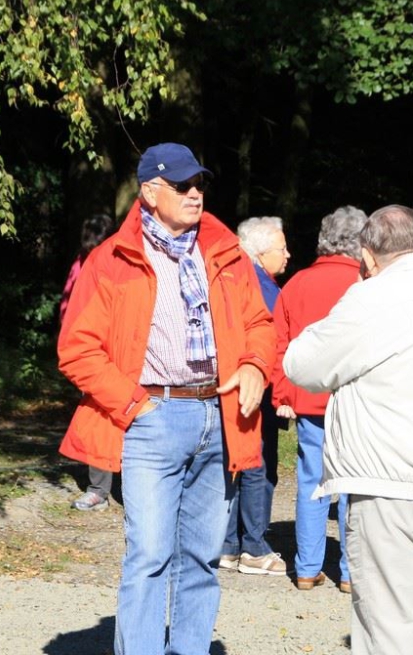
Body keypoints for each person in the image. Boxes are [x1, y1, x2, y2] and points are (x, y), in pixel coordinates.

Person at [57, 142, 276, 655]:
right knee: (149, 555)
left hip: (221, 420)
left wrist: (253, 365)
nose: (195, 193)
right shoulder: (110, 259)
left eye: (199, 183)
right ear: (150, 192)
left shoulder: (225, 251)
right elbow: (76, 349)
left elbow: (260, 324)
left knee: (201, 559)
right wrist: (135, 405)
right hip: (151, 419)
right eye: (182, 185)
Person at [283, 205, 413, 654]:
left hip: (392, 486)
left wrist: (354, 294)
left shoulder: (372, 297)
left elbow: (302, 364)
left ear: (368, 253)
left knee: (388, 630)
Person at [271, 205, 367, 593]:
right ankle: (350, 572)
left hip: (309, 399)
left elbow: (279, 344)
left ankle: (307, 569)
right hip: (357, 400)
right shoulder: (365, 284)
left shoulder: (296, 283)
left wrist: (283, 392)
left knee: (313, 480)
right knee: (355, 484)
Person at [219, 216, 290, 575]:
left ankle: (230, 544)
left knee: (238, 463)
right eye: (282, 248)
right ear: (261, 252)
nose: (288, 254)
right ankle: (254, 547)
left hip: (233, 384)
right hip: (257, 386)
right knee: (257, 466)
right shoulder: (262, 288)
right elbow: (272, 345)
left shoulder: (231, 278)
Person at [61, 213, 117, 512]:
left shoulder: (123, 263)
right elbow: (68, 306)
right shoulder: (80, 264)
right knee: (97, 418)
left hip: (121, 354)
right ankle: (99, 489)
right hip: (91, 354)